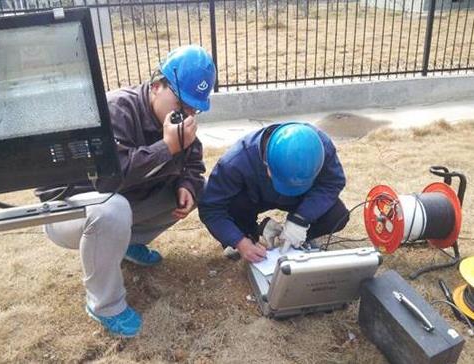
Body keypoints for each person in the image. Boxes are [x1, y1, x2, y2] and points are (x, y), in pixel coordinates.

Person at [35, 45, 216, 337]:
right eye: (182, 104)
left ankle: (126, 244)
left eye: (195, 108)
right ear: (157, 85)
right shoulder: (117, 109)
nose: (188, 113)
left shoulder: (176, 121)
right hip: (67, 210)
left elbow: (194, 167)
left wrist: (188, 186)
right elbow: (108, 181)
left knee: (195, 191)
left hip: (117, 204)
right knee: (112, 209)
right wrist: (167, 147)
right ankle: (103, 304)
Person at [198, 122, 349, 263]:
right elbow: (211, 208)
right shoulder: (235, 162)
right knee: (235, 207)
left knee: (337, 215)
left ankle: (293, 240)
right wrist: (240, 242)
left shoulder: (321, 148)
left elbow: (332, 182)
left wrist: (301, 219)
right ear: (266, 165)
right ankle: (251, 234)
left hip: (301, 198)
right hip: (252, 199)